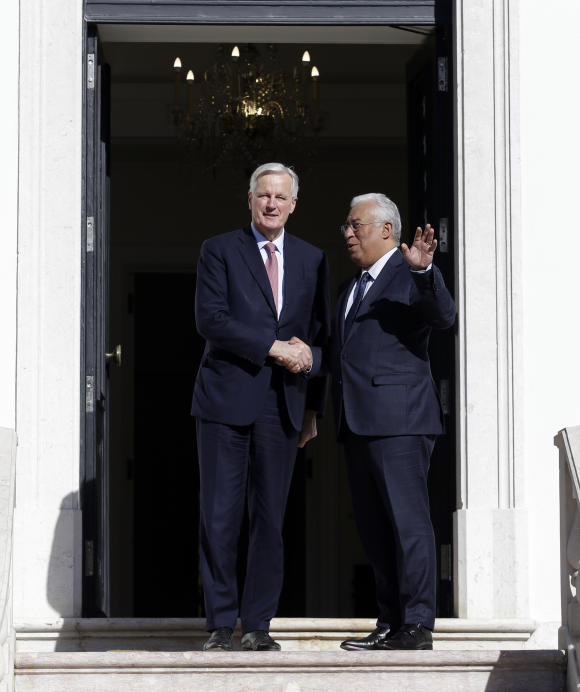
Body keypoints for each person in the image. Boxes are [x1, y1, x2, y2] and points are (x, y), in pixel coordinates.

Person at [191, 163, 329, 652]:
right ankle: (218, 623)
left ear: (294, 205)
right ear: (250, 201)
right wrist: (273, 347)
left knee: (270, 519)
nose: (271, 203)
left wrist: (313, 407)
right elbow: (212, 320)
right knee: (220, 516)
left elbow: (318, 337)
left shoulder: (313, 259)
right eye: (263, 195)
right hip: (226, 402)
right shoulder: (220, 250)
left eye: (280, 196)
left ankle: (257, 626)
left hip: (284, 407)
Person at [330, 193, 456, 651]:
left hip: (400, 421)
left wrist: (425, 271)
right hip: (357, 422)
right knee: (374, 528)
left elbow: (443, 316)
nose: (347, 232)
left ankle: (418, 622)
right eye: (346, 225)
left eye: (354, 224)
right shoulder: (351, 288)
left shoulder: (409, 273)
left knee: (408, 523)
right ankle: (389, 620)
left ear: (386, 230)